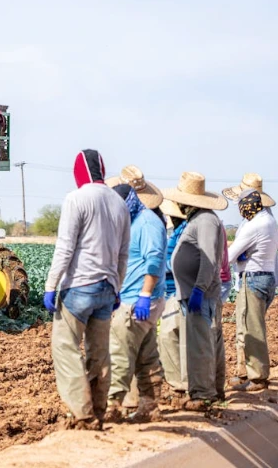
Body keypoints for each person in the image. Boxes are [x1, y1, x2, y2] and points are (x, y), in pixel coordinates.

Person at [44, 149, 131, 430]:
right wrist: (116, 286)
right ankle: (99, 408)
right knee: (99, 352)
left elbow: (66, 246)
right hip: (107, 288)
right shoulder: (120, 204)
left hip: (80, 286)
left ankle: (82, 413)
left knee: (65, 346)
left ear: (79, 172)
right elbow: (123, 254)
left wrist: (50, 285)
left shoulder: (76, 198)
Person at [162, 172, 228, 410]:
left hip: (201, 294)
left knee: (200, 345)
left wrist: (199, 289)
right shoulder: (199, 219)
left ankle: (202, 395)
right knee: (206, 342)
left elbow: (210, 259)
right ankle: (213, 391)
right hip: (195, 293)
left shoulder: (206, 221)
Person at [104, 177, 166, 423]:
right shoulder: (135, 221)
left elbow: (154, 259)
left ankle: (110, 408)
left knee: (118, 353)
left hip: (138, 301)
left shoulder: (147, 223)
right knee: (146, 356)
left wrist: (144, 295)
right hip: (135, 299)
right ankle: (149, 406)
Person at [224, 190, 278, 392]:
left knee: (251, 328)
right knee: (251, 325)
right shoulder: (270, 221)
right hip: (268, 277)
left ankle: (257, 378)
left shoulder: (253, 226)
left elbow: (229, 256)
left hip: (253, 279)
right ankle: (247, 372)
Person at [157, 199, 190, 396]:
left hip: (177, 291)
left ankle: (179, 384)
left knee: (169, 337)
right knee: (171, 337)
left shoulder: (185, 232)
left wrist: (159, 265)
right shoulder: (179, 232)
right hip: (171, 291)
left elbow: (178, 262)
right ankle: (180, 382)